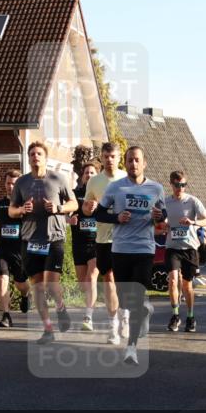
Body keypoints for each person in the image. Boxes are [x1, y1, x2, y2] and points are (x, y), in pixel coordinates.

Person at [94, 146, 165, 363]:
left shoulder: (156, 188)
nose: (133, 164)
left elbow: (163, 216)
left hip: (144, 249)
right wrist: (117, 218)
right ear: (125, 163)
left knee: (136, 295)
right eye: (130, 160)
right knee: (126, 301)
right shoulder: (116, 187)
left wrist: (159, 215)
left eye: (137, 160)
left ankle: (131, 347)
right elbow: (98, 213)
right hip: (120, 249)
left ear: (144, 163)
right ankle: (145, 308)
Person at [9, 141, 77, 345]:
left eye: (39, 153)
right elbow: (11, 210)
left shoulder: (58, 178)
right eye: (31, 154)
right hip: (30, 240)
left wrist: (57, 208)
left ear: (45, 158)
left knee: (51, 284)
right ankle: (48, 329)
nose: (35, 156)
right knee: (37, 287)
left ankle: (61, 308)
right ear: (28, 159)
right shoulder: (21, 182)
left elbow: (74, 203)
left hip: (54, 237)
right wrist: (21, 210)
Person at [83, 142, 128, 345]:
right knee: (108, 279)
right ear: (101, 158)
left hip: (126, 238)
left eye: (113, 156)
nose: (109, 160)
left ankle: (125, 314)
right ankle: (113, 326)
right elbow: (85, 209)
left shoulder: (128, 179)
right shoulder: (94, 182)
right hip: (103, 239)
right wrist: (88, 207)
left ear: (119, 158)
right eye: (106, 156)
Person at [162, 170, 206, 332]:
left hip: (190, 248)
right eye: (177, 185)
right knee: (173, 280)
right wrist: (162, 225)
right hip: (172, 247)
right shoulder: (165, 202)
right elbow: (158, 221)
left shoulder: (193, 201)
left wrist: (193, 222)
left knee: (187, 286)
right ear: (171, 184)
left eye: (183, 185)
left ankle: (190, 316)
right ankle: (175, 315)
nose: (180, 188)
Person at [0, 169, 31, 327]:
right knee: (2, 279)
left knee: (21, 284)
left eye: (14, 183)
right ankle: (6, 315)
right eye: (8, 183)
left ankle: (26, 295)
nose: (10, 186)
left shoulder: (26, 204)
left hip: (20, 251)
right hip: (2, 250)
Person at [68, 162, 99, 331]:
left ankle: (88, 316)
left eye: (93, 172)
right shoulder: (75, 194)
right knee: (83, 284)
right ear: (82, 176)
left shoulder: (102, 194)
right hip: (78, 244)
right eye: (87, 172)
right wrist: (69, 221)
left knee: (92, 277)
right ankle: (90, 303)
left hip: (96, 243)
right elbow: (65, 215)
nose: (89, 175)